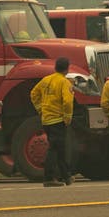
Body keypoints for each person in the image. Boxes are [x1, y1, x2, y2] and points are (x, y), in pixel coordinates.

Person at [30, 56, 74, 187]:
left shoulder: (45, 80)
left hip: (46, 120)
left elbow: (33, 94)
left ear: (55, 67)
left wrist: (40, 109)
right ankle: (49, 178)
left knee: (60, 149)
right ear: (67, 69)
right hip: (58, 120)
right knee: (55, 149)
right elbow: (67, 101)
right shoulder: (64, 82)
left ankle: (66, 177)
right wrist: (67, 117)